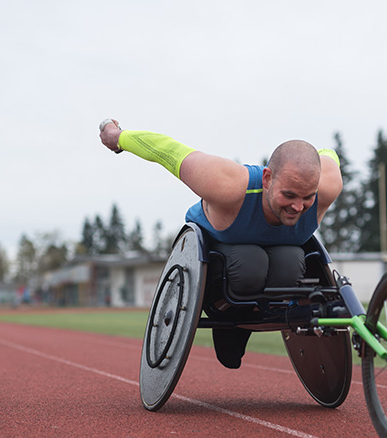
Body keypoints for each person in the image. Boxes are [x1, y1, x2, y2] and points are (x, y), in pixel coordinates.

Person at [99, 118, 343, 367]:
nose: (298, 207)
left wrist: (313, 155)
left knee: (291, 261)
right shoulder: (228, 185)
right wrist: (118, 137)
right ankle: (228, 314)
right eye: (289, 195)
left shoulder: (328, 186)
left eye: (307, 197)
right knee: (251, 261)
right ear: (268, 179)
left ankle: (249, 317)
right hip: (220, 255)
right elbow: (167, 150)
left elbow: (328, 154)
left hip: (278, 262)